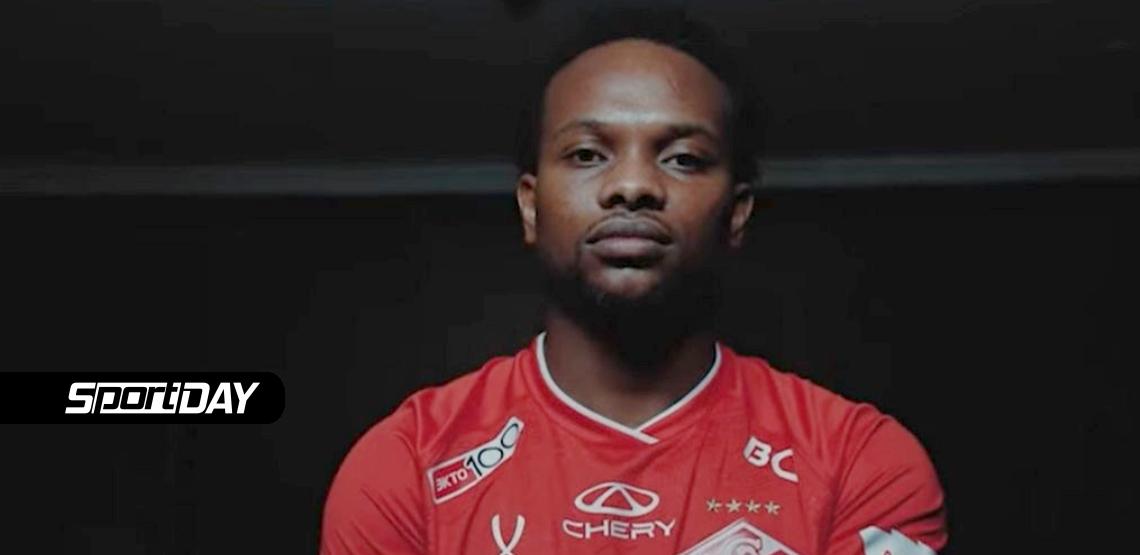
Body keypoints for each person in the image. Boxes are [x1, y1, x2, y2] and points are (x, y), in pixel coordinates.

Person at [322, 10, 947, 554]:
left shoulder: (858, 462)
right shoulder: (408, 465)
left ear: (736, 214)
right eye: (587, 154)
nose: (633, 185)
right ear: (531, 207)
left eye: (683, 159)